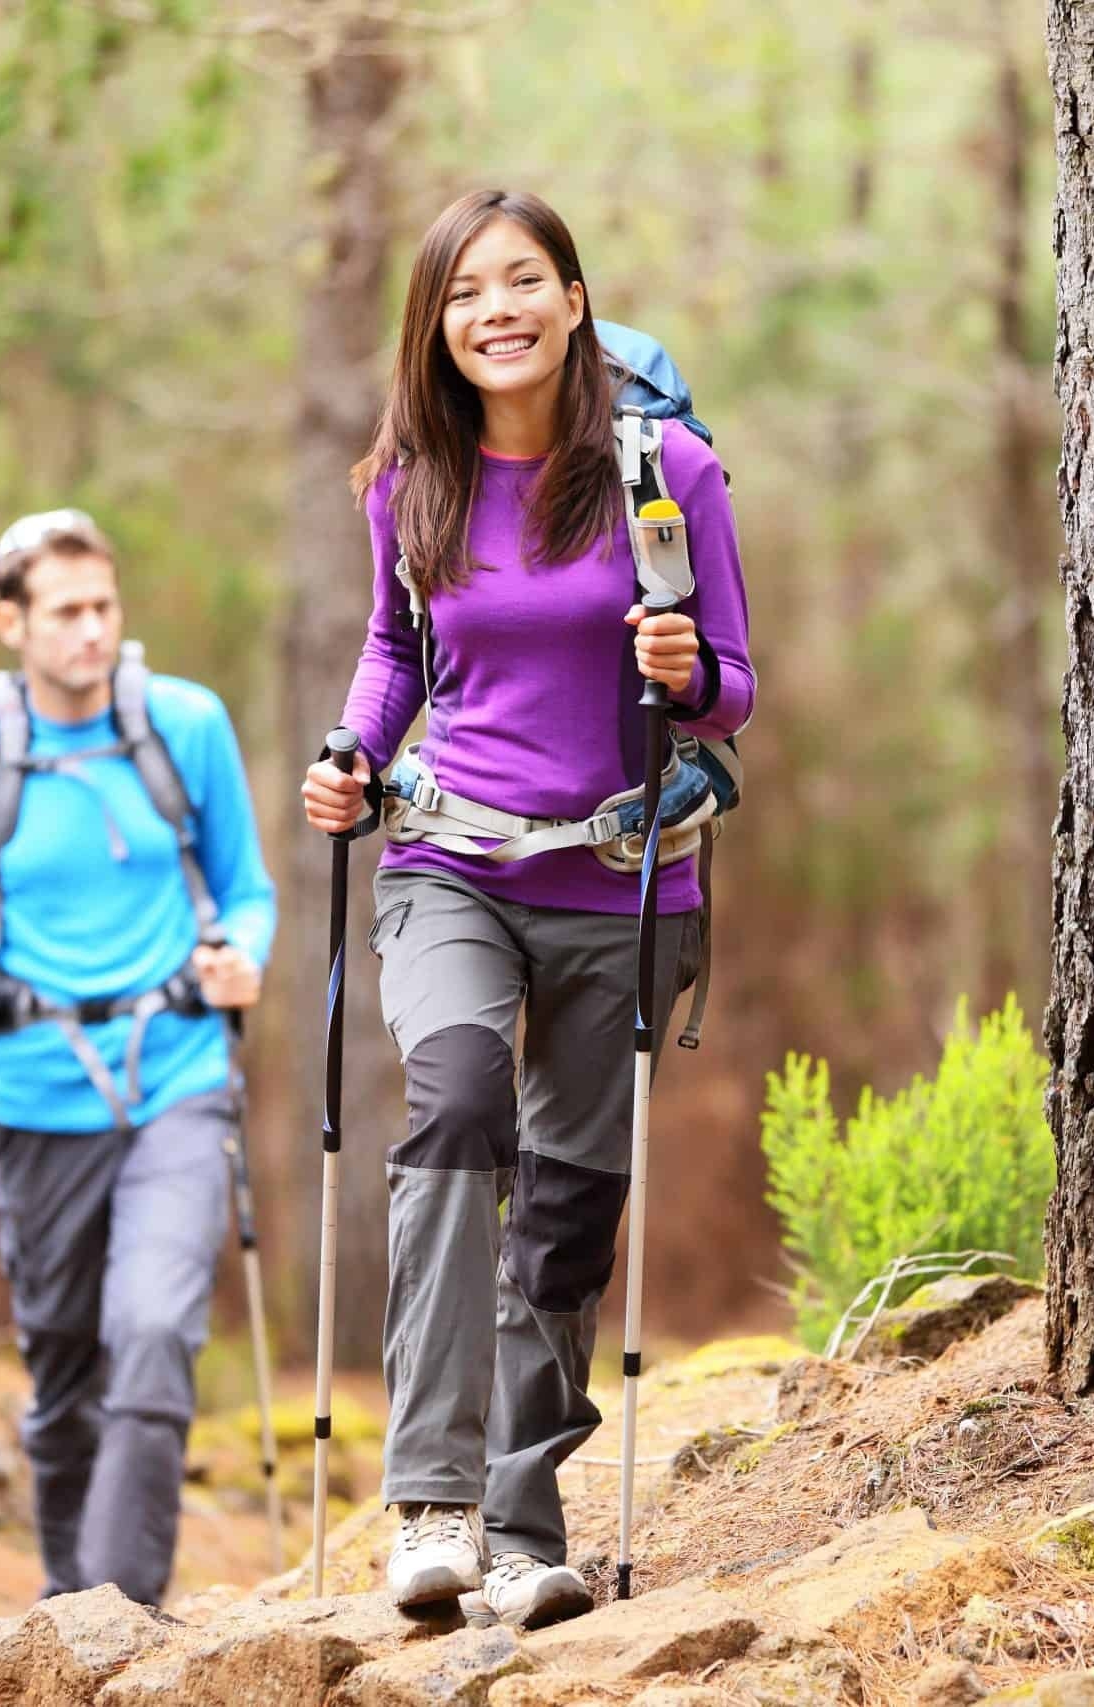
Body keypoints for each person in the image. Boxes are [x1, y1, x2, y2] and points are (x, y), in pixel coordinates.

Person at [302, 188, 756, 1630]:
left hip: (623, 877)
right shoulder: (409, 476)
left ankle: (521, 1522)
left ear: (573, 299)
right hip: (451, 862)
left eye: (522, 283)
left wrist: (682, 668)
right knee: (450, 1103)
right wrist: (355, 753)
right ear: (435, 326)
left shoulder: (662, 469)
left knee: (564, 1202)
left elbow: (733, 683)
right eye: (463, 292)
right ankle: (429, 1500)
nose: (494, 310)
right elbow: (396, 646)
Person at [0, 508, 278, 1606]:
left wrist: (241, 957)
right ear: (11, 623)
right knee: (63, 1368)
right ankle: (70, 1608)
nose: (92, 632)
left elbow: (247, 890)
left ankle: (120, 1616)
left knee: (152, 1333)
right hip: (36, 1095)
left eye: (104, 606)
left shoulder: (185, 725)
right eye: (65, 613)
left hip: (182, 1075)